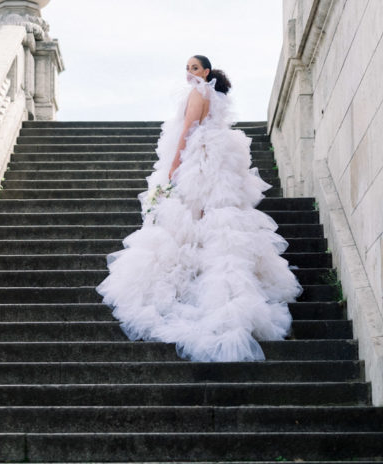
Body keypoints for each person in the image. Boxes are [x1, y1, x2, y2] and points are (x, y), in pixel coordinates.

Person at [97, 55, 302, 362]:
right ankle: (218, 283)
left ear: (206, 72)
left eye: (195, 68)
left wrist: (174, 165)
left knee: (190, 217)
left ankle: (196, 281)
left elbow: (186, 130)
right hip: (215, 160)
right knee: (216, 220)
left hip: (197, 160)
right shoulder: (215, 96)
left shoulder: (197, 93)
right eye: (187, 69)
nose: (190, 73)